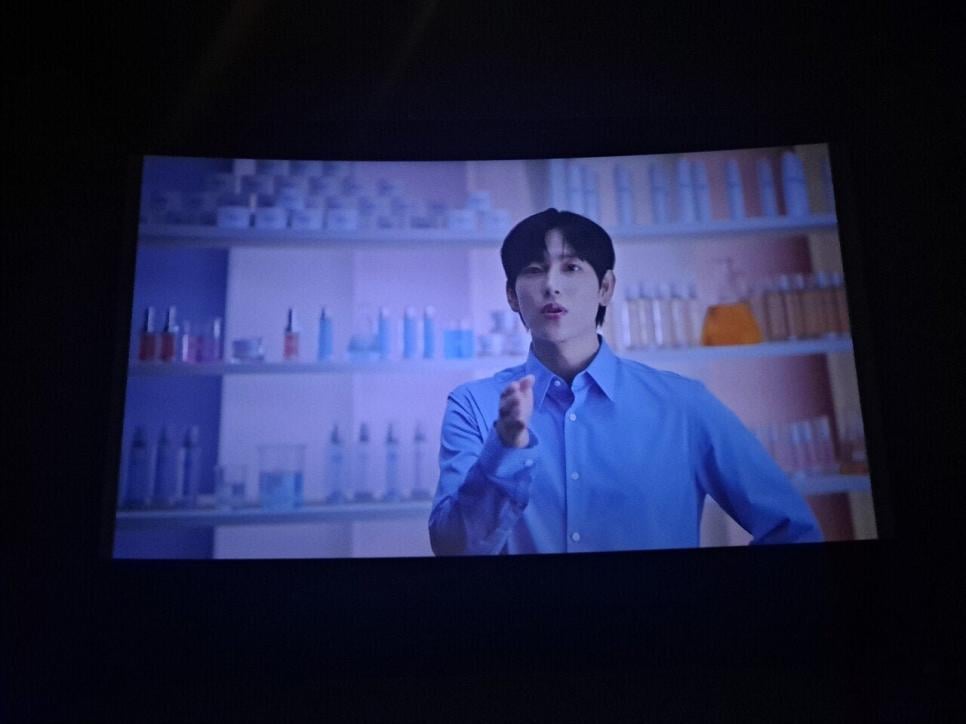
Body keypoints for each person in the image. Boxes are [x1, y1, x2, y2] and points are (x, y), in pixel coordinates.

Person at [429, 208, 822, 555]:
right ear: (512, 296)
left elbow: (793, 530)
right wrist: (505, 446)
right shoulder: (474, 405)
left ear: (605, 288)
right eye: (534, 269)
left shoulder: (683, 404)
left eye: (571, 267)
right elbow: (453, 548)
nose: (551, 285)